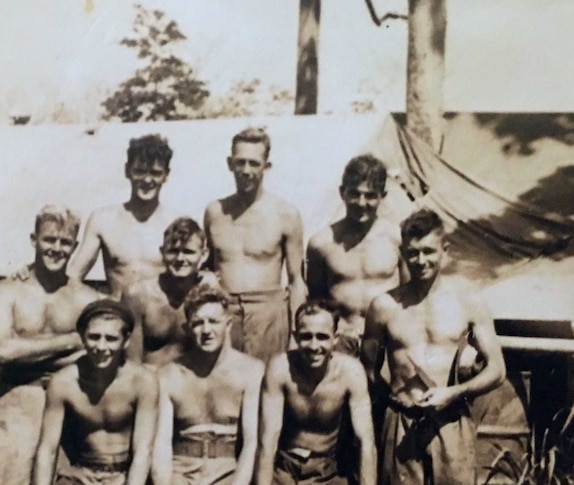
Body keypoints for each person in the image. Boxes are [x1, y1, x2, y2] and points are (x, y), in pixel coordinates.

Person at [361, 208, 506, 485]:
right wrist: (394, 404)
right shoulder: (383, 307)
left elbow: (497, 370)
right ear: (403, 252)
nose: (420, 260)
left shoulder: (468, 301)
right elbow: (368, 370)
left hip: (451, 421)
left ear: (445, 250)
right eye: (413, 252)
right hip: (402, 423)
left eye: (428, 251)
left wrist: (454, 393)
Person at [0, 206, 102, 485]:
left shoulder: (86, 298)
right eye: (49, 240)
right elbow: (4, 351)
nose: (57, 249)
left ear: (75, 247)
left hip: (70, 400)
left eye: (65, 242)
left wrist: (29, 349)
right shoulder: (6, 292)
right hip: (19, 396)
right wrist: (71, 341)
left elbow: (97, 355)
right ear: (34, 240)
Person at [204, 127, 306, 362]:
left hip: (268, 312)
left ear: (266, 167)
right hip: (224, 311)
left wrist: (295, 334)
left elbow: (296, 280)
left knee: (265, 386)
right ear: (230, 164)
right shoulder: (215, 211)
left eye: (254, 163)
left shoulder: (285, 214)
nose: (246, 171)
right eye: (240, 163)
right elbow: (209, 267)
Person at [32, 299, 159, 485]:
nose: (101, 347)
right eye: (94, 337)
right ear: (82, 337)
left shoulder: (142, 382)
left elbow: (143, 451)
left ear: (126, 341)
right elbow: (47, 450)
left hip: (127, 476)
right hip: (81, 474)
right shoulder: (63, 383)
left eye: (111, 338)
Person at [151, 283, 264, 485]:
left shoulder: (251, 371)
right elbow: (161, 445)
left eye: (213, 321)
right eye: (197, 323)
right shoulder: (169, 375)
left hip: (228, 472)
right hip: (180, 471)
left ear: (228, 324)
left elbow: (251, 443)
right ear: (187, 328)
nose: (206, 330)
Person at [257, 300, 376, 485]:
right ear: (295, 337)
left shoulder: (350, 372)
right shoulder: (280, 369)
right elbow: (268, 441)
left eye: (322, 337)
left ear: (335, 339)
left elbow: (366, 442)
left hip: (329, 471)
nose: (314, 346)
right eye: (306, 336)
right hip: (285, 470)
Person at [306, 154, 404, 356]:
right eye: (354, 194)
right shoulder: (321, 243)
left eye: (370, 195)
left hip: (387, 340)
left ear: (382, 196)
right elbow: (316, 299)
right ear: (342, 193)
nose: (361, 203)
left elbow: (411, 295)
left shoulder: (397, 238)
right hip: (341, 340)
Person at [67, 134, 180, 298]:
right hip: (118, 317)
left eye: (155, 173)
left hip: (160, 319)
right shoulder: (103, 220)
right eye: (140, 171)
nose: (147, 180)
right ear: (127, 171)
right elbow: (73, 276)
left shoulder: (175, 223)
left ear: (166, 175)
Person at [121, 217, 212, 366]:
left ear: (204, 255)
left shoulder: (208, 291)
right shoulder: (138, 295)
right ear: (162, 252)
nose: (180, 258)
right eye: (173, 251)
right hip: (150, 382)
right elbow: (132, 363)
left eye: (188, 252)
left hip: (193, 384)